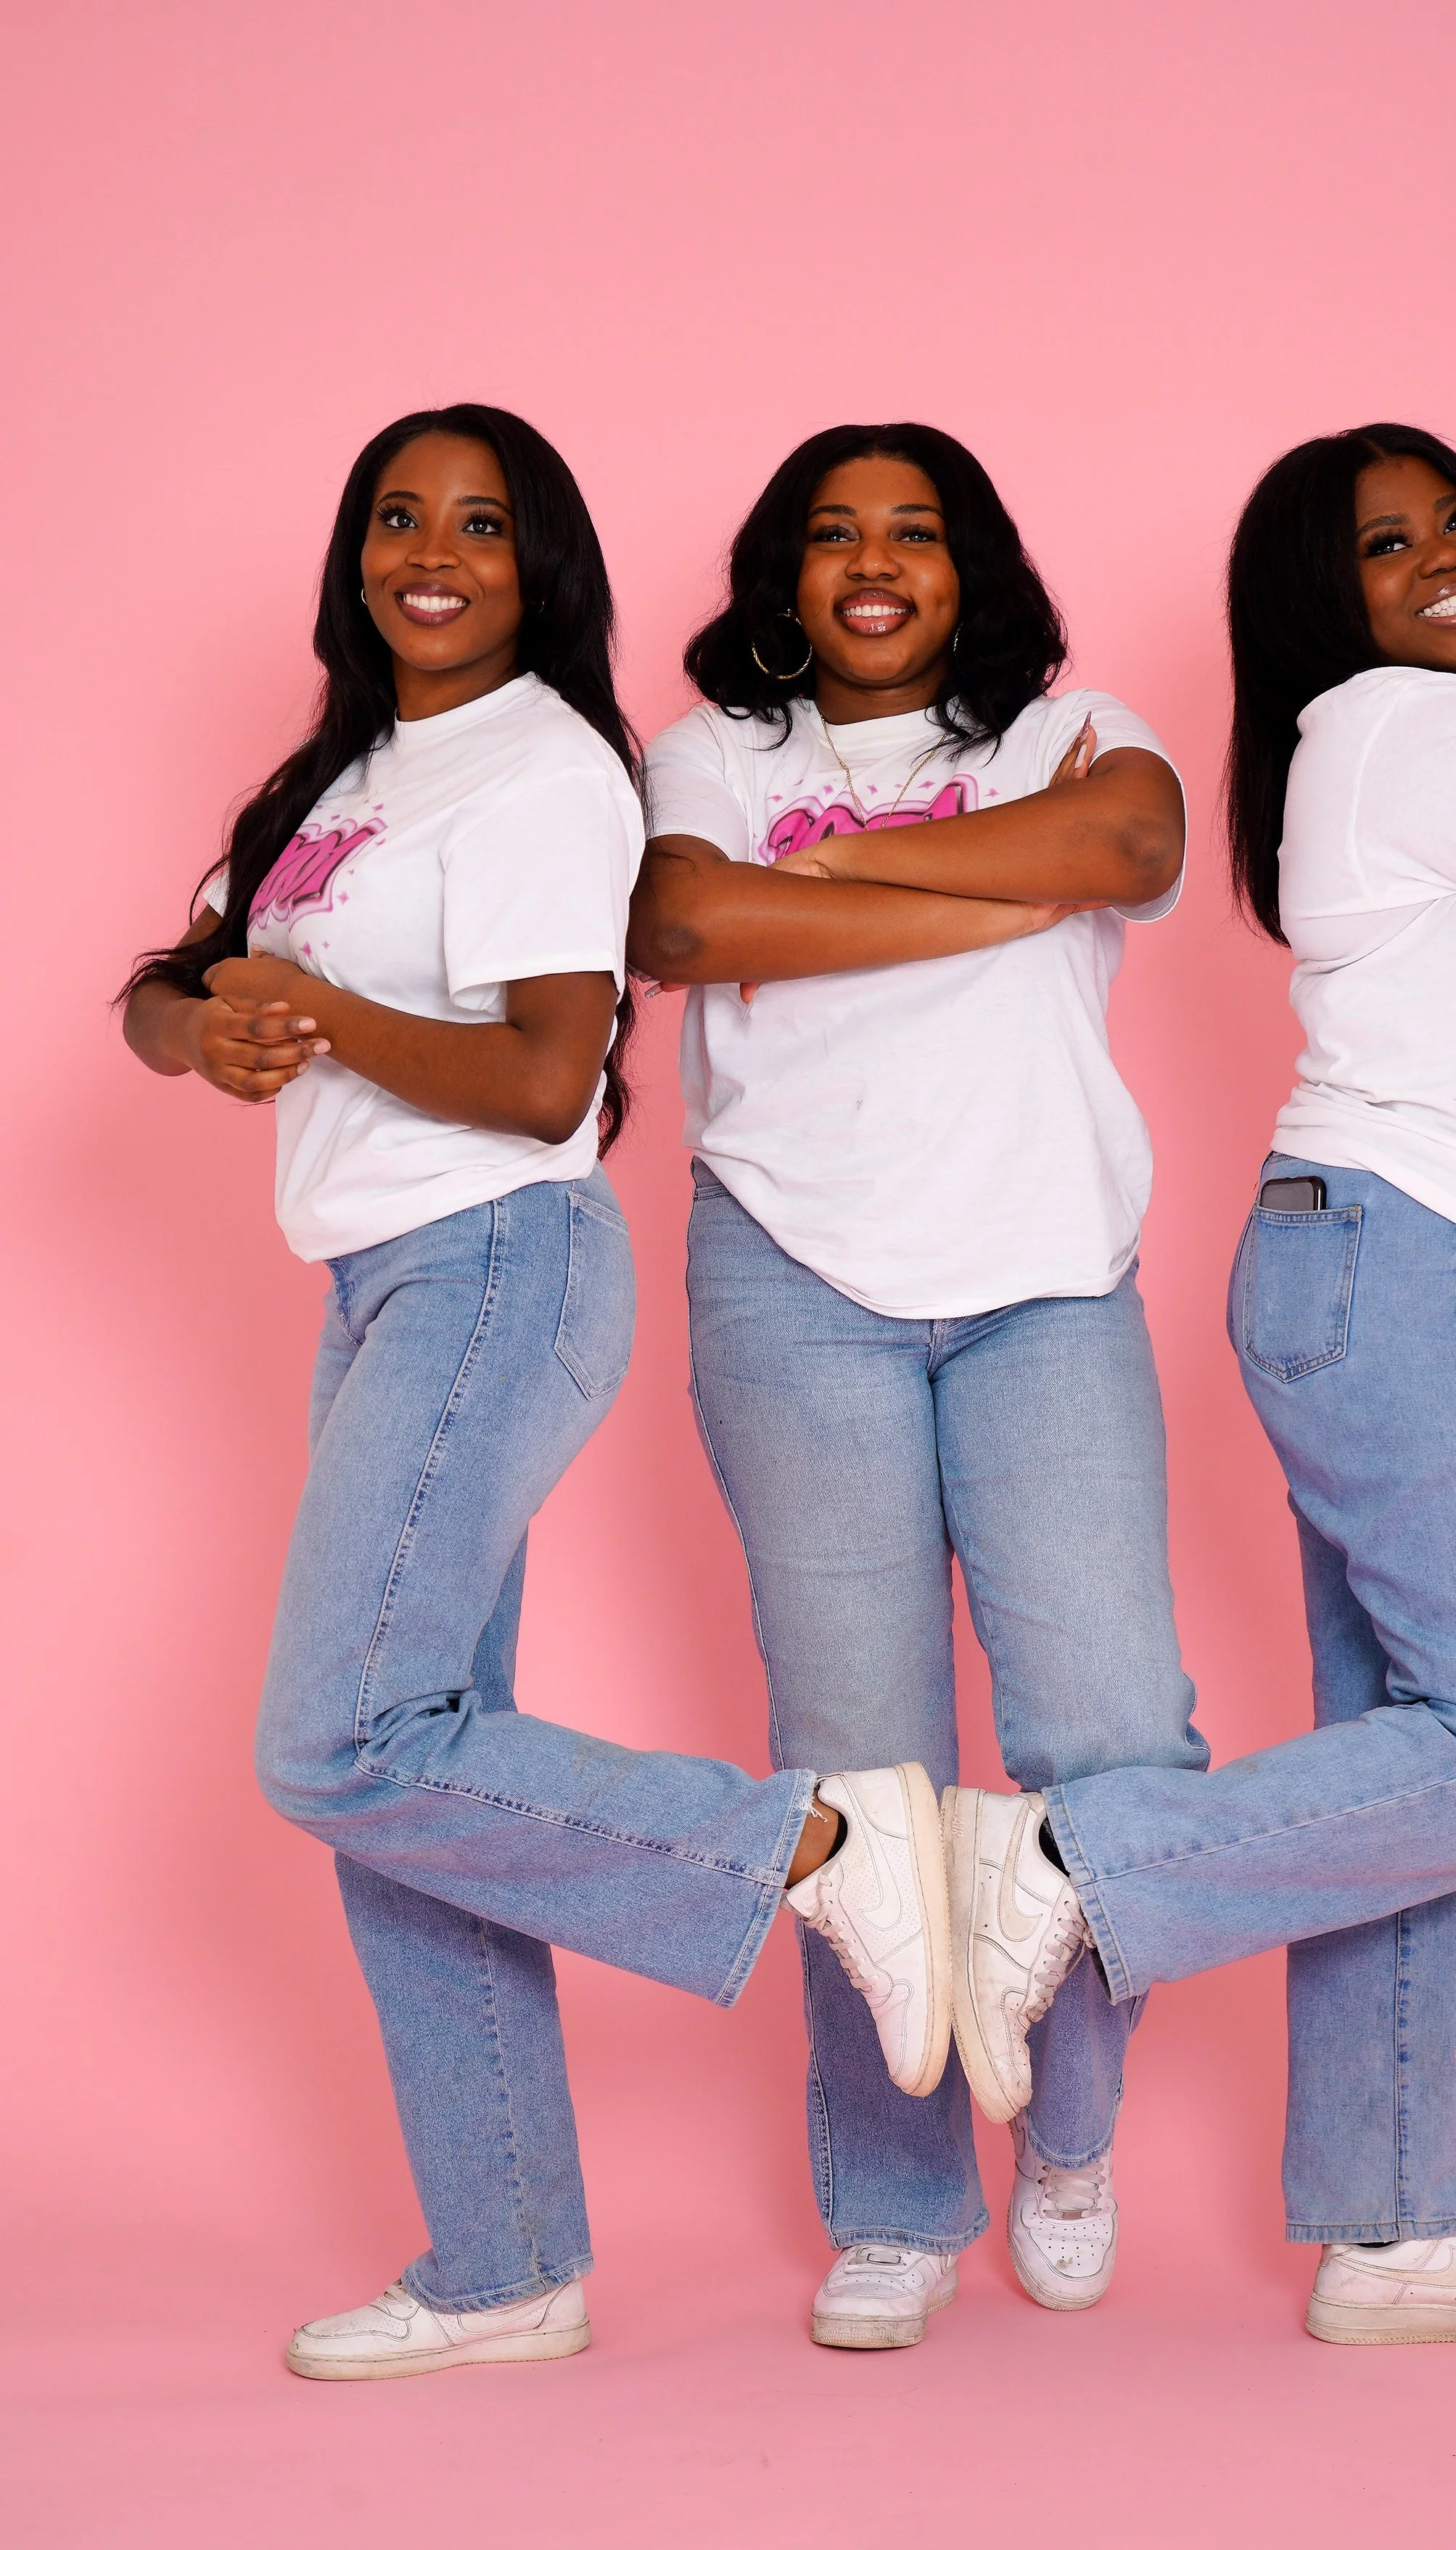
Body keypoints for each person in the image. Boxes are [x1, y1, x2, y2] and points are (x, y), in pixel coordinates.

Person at [934, 422, 1456, 2345]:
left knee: (1410, 1770)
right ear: (1319, 606)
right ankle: (1071, 1863)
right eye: (1380, 544)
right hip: (1444, 1273)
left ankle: (1393, 2223)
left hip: (1416, 1276)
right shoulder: (1407, 724)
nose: (1438, 556)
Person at [120, 403, 950, 2384]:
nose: (434, 552)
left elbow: (541, 1076)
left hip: (491, 1260)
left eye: (480, 523)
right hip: (378, 1283)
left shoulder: (546, 771)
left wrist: (316, 1015)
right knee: (420, 1781)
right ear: (354, 558)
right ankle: (502, 2261)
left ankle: (820, 1854)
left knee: (341, 1742)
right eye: (399, 517)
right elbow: (172, 982)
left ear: (538, 565)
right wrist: (203, 1026)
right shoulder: (335, 781)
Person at [629, 422, 1198, 2348]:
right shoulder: (712, 755)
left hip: (1050, 1286)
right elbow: (686, 922)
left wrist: (837, 881)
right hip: (793, 1281)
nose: (873, 564)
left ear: (974, 569)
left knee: (1107, 1745)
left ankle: (1069, 2136)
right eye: (833, 534)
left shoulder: (1073, 729)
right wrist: (1002, 883)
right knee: (857, 1770)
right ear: (783, 576)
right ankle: (893, 2200)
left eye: (915, 532)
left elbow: (1130, 846)